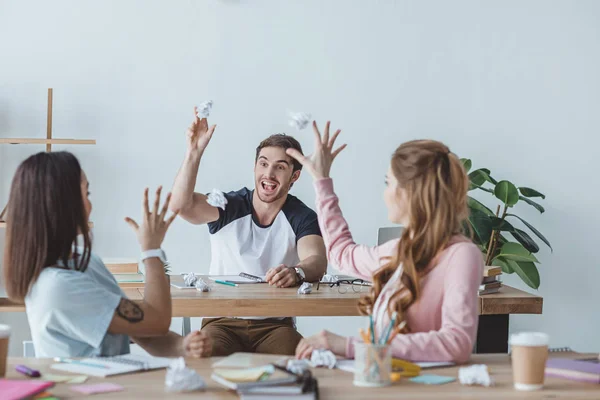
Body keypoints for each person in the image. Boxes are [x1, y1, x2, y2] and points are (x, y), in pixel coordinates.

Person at [288, 122, 484, 363]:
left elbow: (457, 343)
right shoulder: (401, 250)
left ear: (408, 192)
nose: (385, 193)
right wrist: (321, 180)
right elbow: (341, 254)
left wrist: (349, 345)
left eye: (387, 182)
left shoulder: (461, 255)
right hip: (387, 380)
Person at [2, 151, 211, 358]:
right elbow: (156, 321)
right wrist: (152, 251)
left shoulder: (85, 261)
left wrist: (181, 346)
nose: (90, 204)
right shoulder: (58, 286)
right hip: (79, 389)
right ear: (61, 204)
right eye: (86, 193)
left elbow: (138, 327)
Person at [169, 108, 327, 356]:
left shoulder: (302, 216)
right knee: (204, 358)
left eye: (280, 167)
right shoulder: (229, 204)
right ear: (254, 167)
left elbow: (317, 260)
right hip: (221, 321)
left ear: (294, 176)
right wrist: (194, 153)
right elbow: (181, 206)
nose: (269, 174)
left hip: (275, 326)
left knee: (300, 362)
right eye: (263, 164)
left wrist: (297, 272)